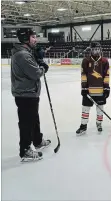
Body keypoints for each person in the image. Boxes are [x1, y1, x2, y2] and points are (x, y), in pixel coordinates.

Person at [11, 28, 50, 162]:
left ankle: (37, 140)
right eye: (33, 37)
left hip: (30, 92)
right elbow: (35, 73)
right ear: (25, 39)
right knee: (26, 122)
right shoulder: (23, 55)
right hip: (25, 93)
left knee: (34, 118)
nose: (36, 39)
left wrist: (37, 57)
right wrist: (43, 66)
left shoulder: (26, 52)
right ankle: (25, 150)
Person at [76, 42, 110, 136]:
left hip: (100, 90)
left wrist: (106, 88)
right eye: (94, 49)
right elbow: (83, 75)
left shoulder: (104, 61)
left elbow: (106, 75)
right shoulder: (86, 61)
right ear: (91, 50)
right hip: (89, 90)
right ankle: (83, 126)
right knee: (85, 109)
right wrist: (84, 87)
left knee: (100, 109)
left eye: (97, 49)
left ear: (100, 50)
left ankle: (99, 123)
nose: (96, 51)